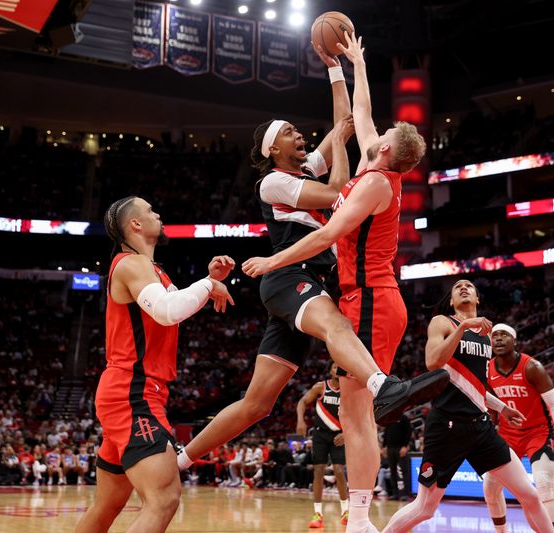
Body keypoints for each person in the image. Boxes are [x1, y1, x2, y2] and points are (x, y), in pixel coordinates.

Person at [177, 46, 445, 495]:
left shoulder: (305, 169)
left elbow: (344, 119)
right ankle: (384, 386)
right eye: (289, 133)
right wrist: (340, 143)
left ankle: (180, 457)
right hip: (291, 277)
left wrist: (335, 68)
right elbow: (338, 188)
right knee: (339, 325)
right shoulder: (275, 181)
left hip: (310, 283)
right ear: (271, 148)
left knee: (257, 404)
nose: (300, 134)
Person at [241, 34, 449, 533]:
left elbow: (329, 234)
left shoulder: (375, 181)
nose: (374, 134)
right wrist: (355, 63)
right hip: (366, 298)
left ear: (387, 151)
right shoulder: (373, 169)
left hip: (373, 296)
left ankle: (360, 516)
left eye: (382, 137)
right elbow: (360, 110)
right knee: (356, 416)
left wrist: (272, 263)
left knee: (359, 415)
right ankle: (358, 515)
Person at [75, 196, 235, 533]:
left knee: (107, 506)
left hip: (131, 392)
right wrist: (207, 285)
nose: (157, 214)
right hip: (132, 393)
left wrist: (208, 280)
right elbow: (167, 311)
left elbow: (174, 306)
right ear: (134, 224)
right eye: (149, 210)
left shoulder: (153, 270)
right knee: (163, 498)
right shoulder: (131, 264)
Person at [382, 280, 554, 533]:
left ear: (477, 299)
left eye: (469, 286)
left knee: (529, 494)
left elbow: (475, 386)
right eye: (457, 287)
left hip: (480, 427)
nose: (463, 288)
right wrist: (462, 327)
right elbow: (432, 362)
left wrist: (502, 408)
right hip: (446, 427)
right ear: (451, 301)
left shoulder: (486, 337)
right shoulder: (443, 322)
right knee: (425, 508)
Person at [484, 323, 554, 533]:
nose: (498, 339)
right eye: (495, 335)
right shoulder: (487, 369)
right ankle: (501, 531)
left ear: (514, 340)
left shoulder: (532, 367)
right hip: (507, 435)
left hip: (538, 433)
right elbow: (490, 405)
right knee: (489, 487)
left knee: (544, 485)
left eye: (504, 335)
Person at [296, 361, 349, 528]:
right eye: (334, 366)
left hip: (339, 436)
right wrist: (300, 421)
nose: (338, 369)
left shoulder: (349, 391)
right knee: (318, 471)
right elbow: (302, 402)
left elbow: (357, 415)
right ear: (330, 371)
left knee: (339, 471)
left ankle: (345, 510)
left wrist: (346, 433)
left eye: (341, 367)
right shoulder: (321, 387)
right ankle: (317, 513)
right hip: (320, 434)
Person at [382, 414, 412, 501]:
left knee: (404, 471)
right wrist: (384, 446)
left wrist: (405, 446)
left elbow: (409, 431)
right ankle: (395, 493)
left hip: (400, 448)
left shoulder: (404, 418)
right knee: (392, 471)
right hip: (390, 448)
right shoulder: (389, 418)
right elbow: (386, 432)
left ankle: (405, 493)